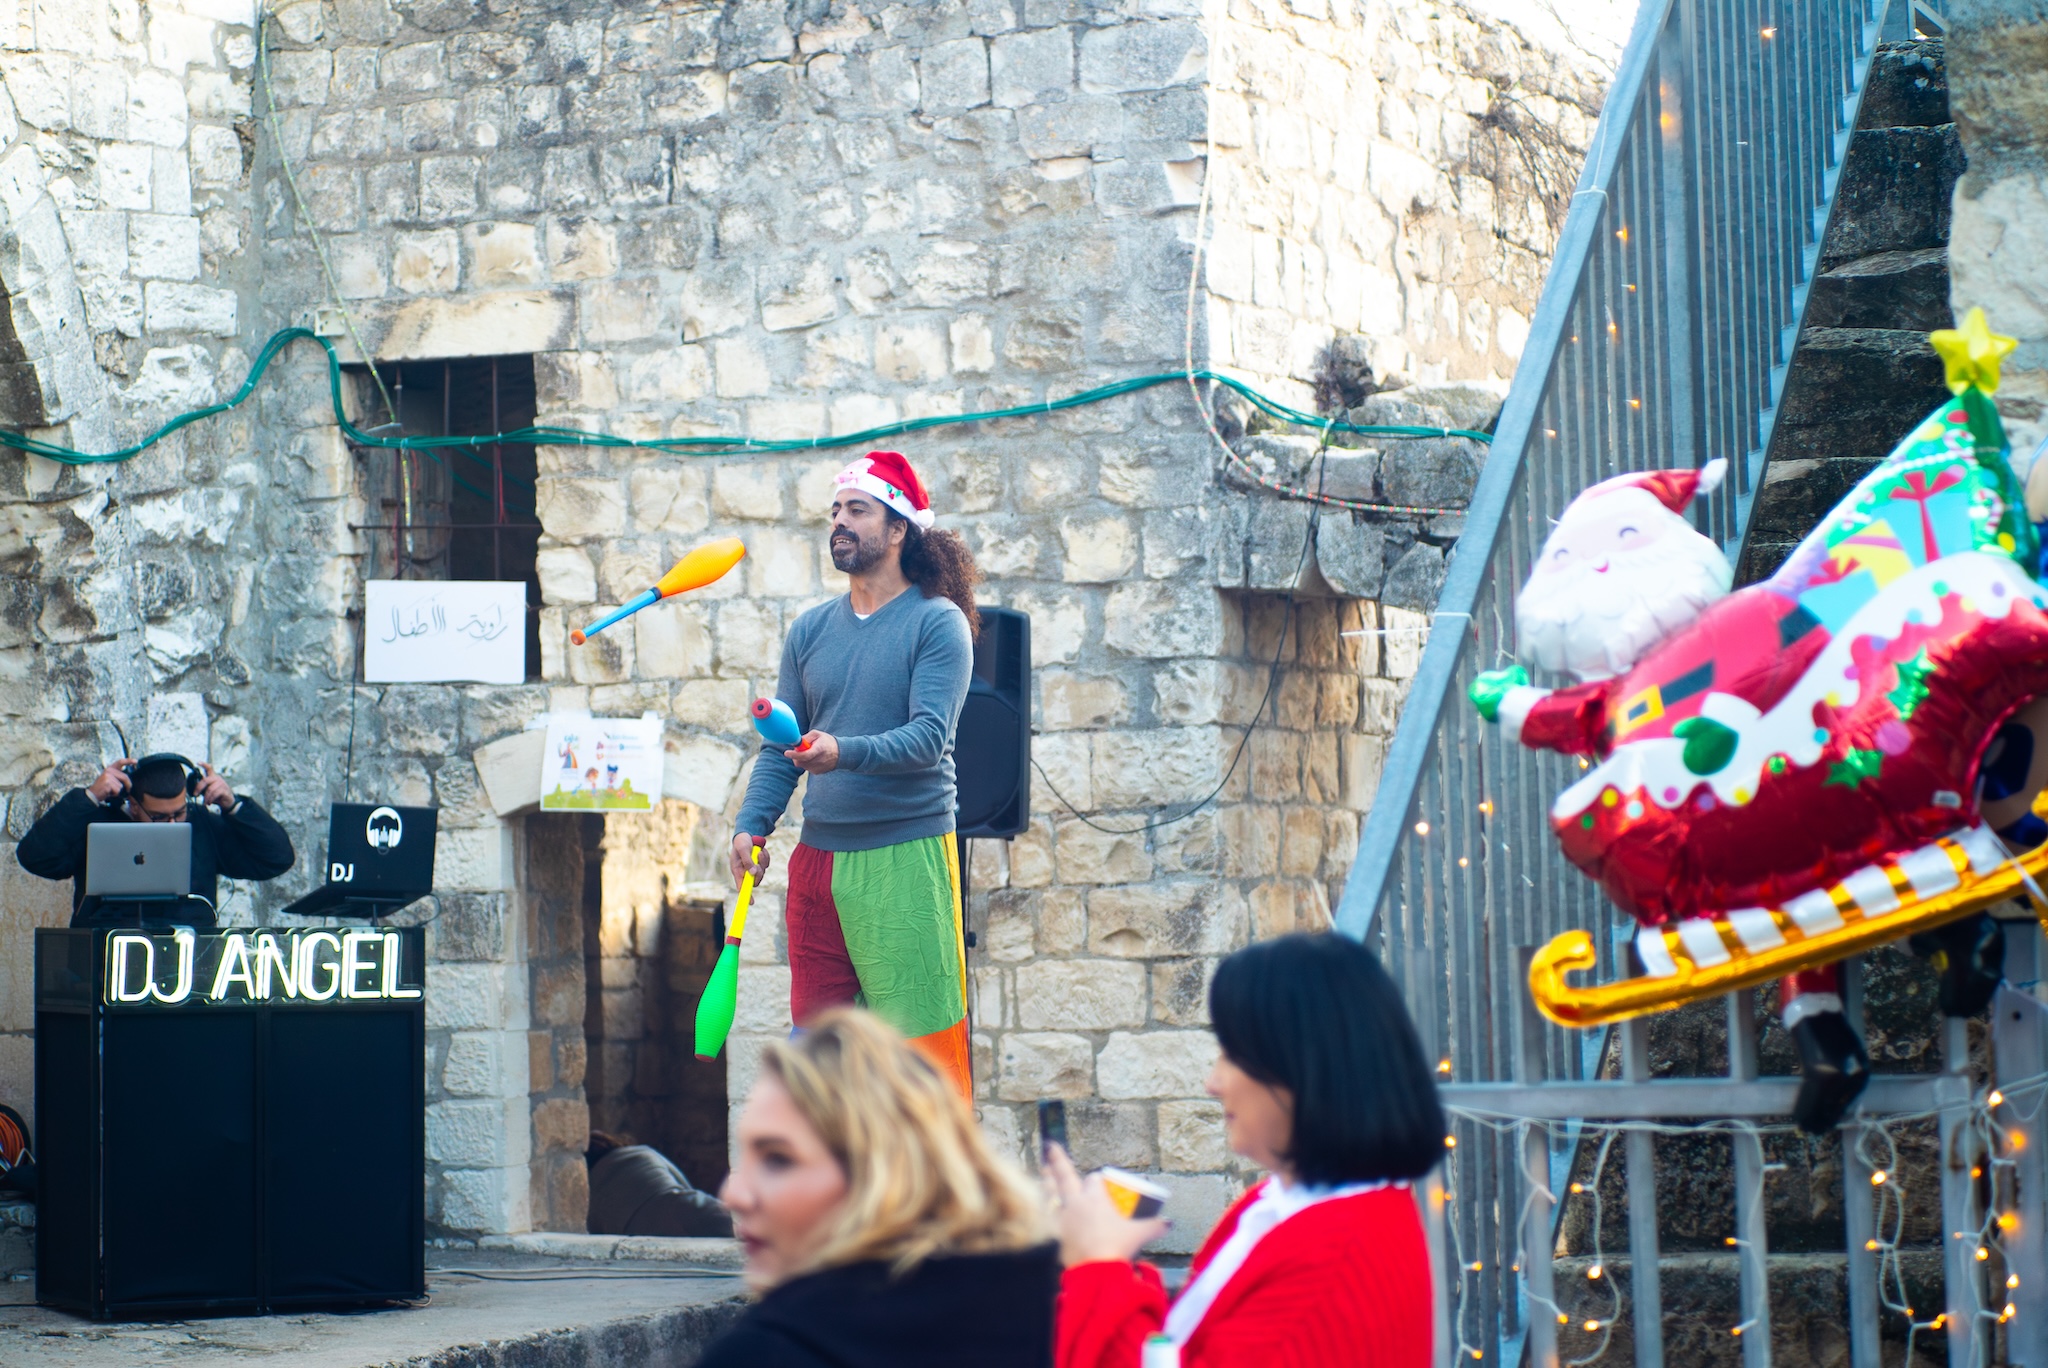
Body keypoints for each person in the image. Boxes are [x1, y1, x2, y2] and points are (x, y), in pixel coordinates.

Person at [1051, 934, 1443, 1368]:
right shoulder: (1289, 1205)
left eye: (1230, 1055)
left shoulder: (1329, 1263)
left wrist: (1098, 1267)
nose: (1212, 1083)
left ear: (1297, 1067)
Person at [729, 451, 981, 1098]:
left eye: (857, 510)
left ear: (898, 529)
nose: (839, 521)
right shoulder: (810, 630)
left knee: (917, 1063)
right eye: (835, 510)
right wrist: (752, 825)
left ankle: (932, 1195)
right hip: (817, 864)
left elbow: (929, 738)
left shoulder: (938, 622)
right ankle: (823, 1192)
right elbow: (778, 746)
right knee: (817, 1058)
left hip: (905, 857)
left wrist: (843, 752)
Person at [696, 1008, 1055, 1368]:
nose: (733, 1195)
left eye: (778, 1159)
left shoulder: (764, 1353)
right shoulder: (1050, 1319)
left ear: (881, 1175)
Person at [16, 753, 295, 927]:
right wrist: (87, 799)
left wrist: (233, 806)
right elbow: (36, 857)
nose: (173, 825)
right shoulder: (98, 823)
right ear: (133, 805)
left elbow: (275, 859)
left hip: (187, 962)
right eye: (160, 818)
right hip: (106, 961)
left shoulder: (202, 823)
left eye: (179, 813)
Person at [584, 1129, 731, 1237]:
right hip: (686, 1209)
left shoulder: (590, 1191)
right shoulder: (641, 1154)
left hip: (640, 1233)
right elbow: (680, 1180)